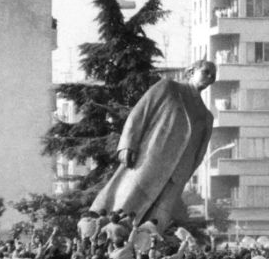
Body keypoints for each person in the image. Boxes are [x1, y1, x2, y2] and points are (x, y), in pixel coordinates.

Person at [90, 59, 216, 229]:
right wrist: (128, 144)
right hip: (150, 159)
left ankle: (146, 246)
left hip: (177, 173)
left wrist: (186, 174)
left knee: (157, 220)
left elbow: (199, 153)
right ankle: (107, 232)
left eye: (213, 75)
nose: (210, 77)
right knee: (127, 201)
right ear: (191, 71)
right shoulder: (169, 88)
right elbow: (140, 112)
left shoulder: (206, 116)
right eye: (206, 72)